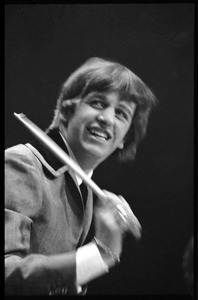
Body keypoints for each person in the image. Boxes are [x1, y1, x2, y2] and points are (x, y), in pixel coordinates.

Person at [5, 57, 157, 295]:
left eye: (121, 113)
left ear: (125, 139)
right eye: (97, 103)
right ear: (67, 110)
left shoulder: (83, 191)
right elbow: (8, 276)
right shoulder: (22, 163)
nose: (106, 118)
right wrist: (100, 254)